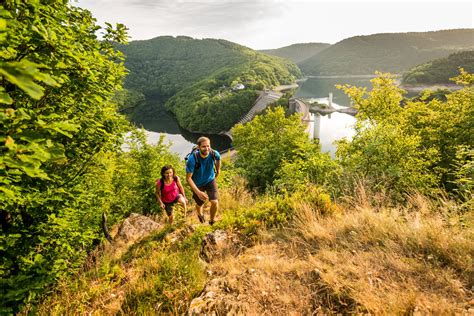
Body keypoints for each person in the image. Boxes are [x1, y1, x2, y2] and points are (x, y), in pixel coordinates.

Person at [186, 136, 221, 225]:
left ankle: (212, 220)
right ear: (198, 147)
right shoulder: (192, 159)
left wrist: (218, 170)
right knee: (200, 203)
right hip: (197, 183)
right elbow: (188, 178)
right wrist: (198, 192)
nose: (207, 148)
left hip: (210, 180)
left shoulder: (213, 153)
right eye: (204, 146)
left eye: (208, 146)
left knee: (214, 202)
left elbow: (218, 158)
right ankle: (199, 214)